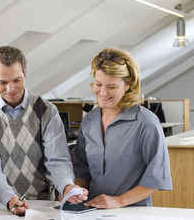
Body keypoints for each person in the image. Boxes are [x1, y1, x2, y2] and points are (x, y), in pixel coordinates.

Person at [0, 46, 87, 215]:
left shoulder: (46, 110)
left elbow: (57, 159)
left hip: (44, 204)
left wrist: (67, 186)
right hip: (3, 205)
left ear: (25, 72)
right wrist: (8, 198)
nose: (10, 89)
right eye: (2, 82)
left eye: (16, 80)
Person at [72, 47, 172, 208]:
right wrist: (75, 190)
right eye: (98, 84)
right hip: (91, 211)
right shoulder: (89, 121)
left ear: (128, 85)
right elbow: (82, 169)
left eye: (111, 87)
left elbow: (157, 177)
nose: (103, 92)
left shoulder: (145, 122)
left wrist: (119, 201)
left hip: (133, 214)